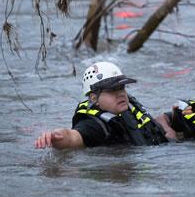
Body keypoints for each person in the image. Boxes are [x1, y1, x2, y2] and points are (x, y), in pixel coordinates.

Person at [35, 61, 169, 150]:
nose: (120, 94)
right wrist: (55, 137)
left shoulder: (127, 109)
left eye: (121, 88)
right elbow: (72, 137)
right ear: (94, 98)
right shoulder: (94, 126)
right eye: (112, 90)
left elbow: (152, 127)